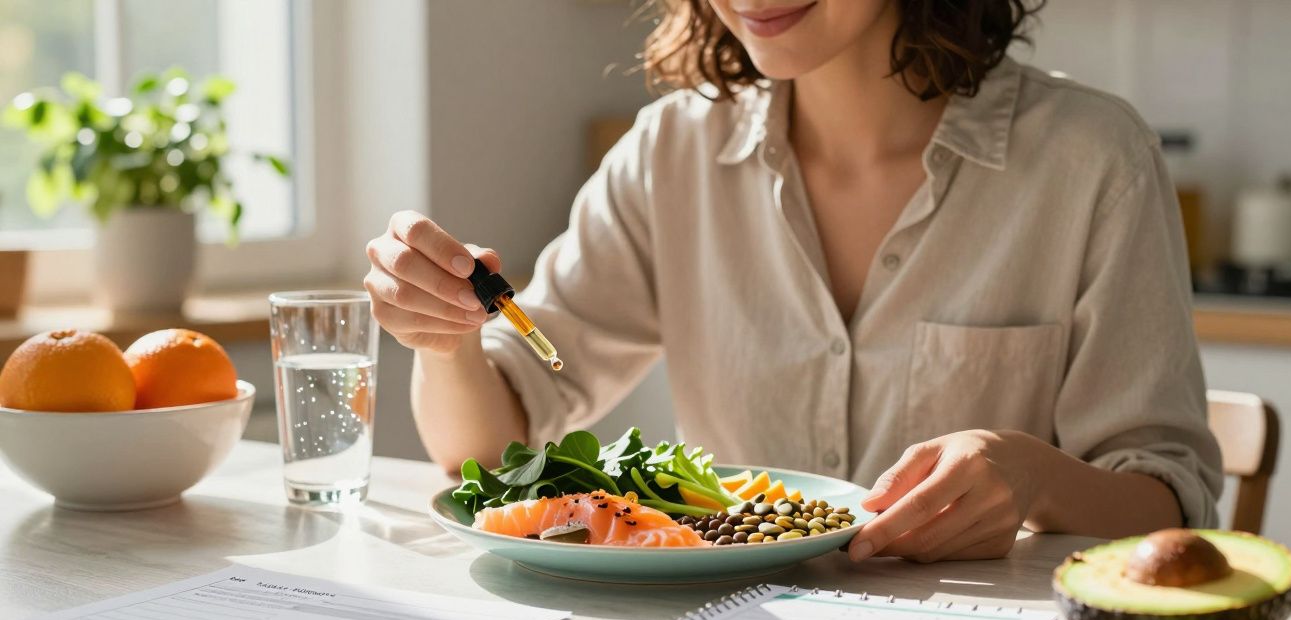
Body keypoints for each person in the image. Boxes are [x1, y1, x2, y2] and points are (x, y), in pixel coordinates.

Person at [363, 0, 1222, 563]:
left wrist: (1032, 473)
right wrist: (447, 343)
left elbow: (1171, 512)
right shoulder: (670, 154)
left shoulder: (1093, 160)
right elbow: (487, 452)